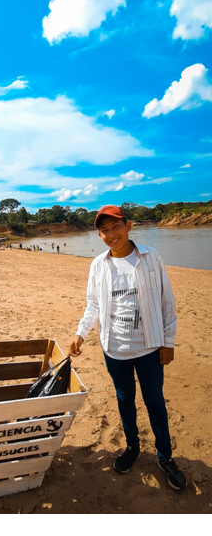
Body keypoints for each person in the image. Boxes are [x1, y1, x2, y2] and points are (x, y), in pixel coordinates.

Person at [68, 205, 184, 490]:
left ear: (128, 226)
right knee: (124, 400)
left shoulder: (150, 256)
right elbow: (93, 304)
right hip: (114, 349)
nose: (110, 234)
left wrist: (168, 341)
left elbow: (166, 299)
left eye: (115, 227)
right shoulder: (98, 265)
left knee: (155, 401)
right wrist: (80, 333)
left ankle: (165, 457)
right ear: (100, 234)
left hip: (149, 348)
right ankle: (132, 447)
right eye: (104, 231)